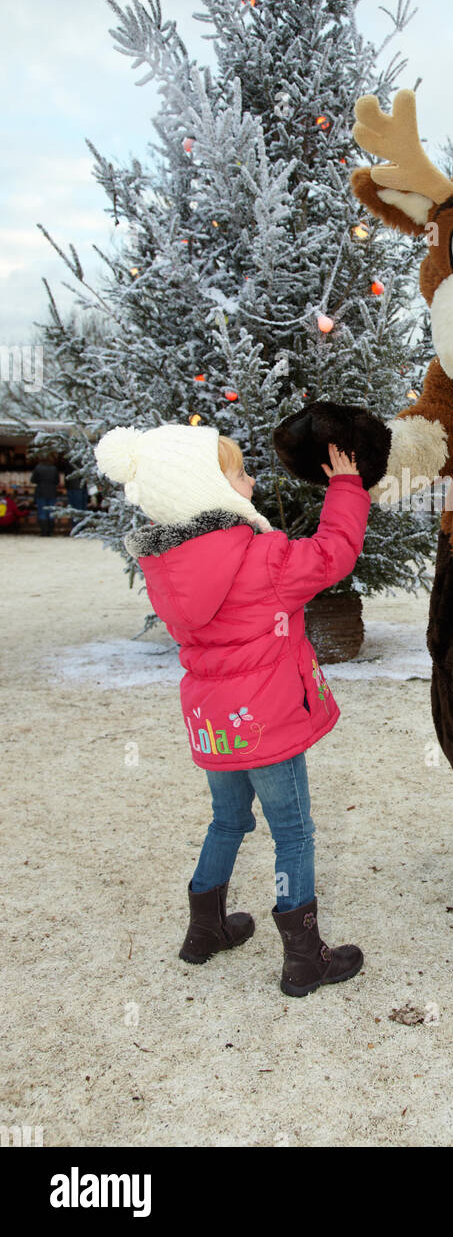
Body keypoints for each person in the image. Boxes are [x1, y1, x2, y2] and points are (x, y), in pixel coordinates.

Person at [94, 422, 371, 998]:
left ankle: (205, 929)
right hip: (267, 721)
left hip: (214, 725)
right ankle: (304, 958)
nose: (250, 478)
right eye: (239, 472)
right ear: (207, 488)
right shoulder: (263, 556)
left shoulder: (170, 566)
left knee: (228, 820)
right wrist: (346, 487)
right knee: (292, 832)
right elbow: (333, 553)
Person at [29, 456, 60, 536]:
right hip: (52, 492)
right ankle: (50, 531)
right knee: (51, 511)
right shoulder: (54, 468)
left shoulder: (38, 467)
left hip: (41, 492)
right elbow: (57, 481)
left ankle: (43, 531)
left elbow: (33, 480)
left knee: (42, 512)